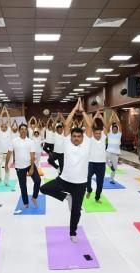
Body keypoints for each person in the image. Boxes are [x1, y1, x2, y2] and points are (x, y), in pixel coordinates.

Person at [40, 98, 92, 243]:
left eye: (78, 136)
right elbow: (67, 124)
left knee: (76, 211)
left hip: (80, 184)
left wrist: (83, 112)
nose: (76, 138)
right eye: (74, 136)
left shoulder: (87, 143)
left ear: (82, 137)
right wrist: (75, 109)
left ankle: (73, 232)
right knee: (43, 188)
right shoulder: (67, 143)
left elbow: (89, 126)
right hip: (64, 180)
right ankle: (66, 197)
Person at [6, 124, 41, 209]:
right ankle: (25, 202)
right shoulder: (14, 141)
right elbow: (9, 153)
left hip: (29, 165)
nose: (24, 130)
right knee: (23, 186)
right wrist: (6, 164)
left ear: (27, 131)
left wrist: (32, 167)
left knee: (38, 180)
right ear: (19, 130)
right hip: (19, 167)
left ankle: (34, 197)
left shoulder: (30, 141)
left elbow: (32, 155)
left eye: (25, 129)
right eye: (22, 129)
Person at [86, 111, 107, 202]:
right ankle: (89, 190)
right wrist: (95, 116)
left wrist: (101, 117)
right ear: (93, 134)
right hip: (91, 163)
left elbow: (106, 127)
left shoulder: (103, 138)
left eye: (99, 133)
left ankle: (97, 197)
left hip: (101, 164)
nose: (98, 135)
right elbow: (90, 126)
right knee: (87, 177)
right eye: (96, 133)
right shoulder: (90, 139)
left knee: (100, 182)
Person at [0, 106, 12, 186]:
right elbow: (0, 120)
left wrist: (7, 112)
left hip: (8, 154)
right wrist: (2, 112)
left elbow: (8, 120)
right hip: (0, 154)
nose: (4, 127)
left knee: (7, 168)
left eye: (5, 126)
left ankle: (6, 181)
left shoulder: (9, 131)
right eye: (2, 126)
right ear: (0, 127)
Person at [105, 110, 122, 184]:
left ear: (117, 130)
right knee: (103, 159)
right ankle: (110, 165)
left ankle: (112, 179)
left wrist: (115, 115)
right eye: (113, 129)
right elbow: (108, 125)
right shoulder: (109, 134)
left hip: (115, 154)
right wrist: (112, 117)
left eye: (116, 129)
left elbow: (119, 124)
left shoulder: (119, 134)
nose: (114, 130)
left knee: (114, 168)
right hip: (108, 151)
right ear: (112, 129)